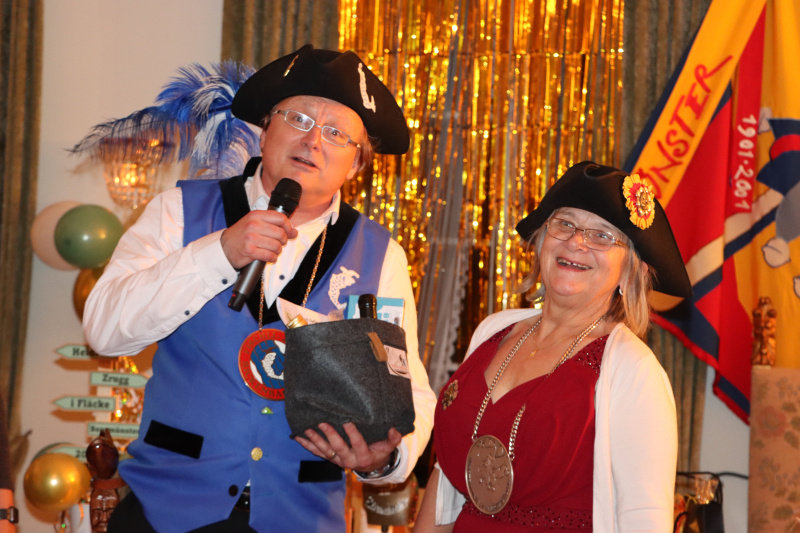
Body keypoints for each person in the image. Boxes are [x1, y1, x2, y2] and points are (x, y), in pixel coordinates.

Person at [83, 44, 436, 533]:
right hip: (166, 510)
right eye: (299, 119)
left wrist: (385, 460)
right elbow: (104, 330)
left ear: (357, 164)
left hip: (301, 518)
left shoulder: (380, 255)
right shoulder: (180, 211)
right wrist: (218, 252)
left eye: (336, 133)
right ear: (266, 130)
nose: (313, 140)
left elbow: (409, 391)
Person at [415, 161, 692, 532]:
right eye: (565, 224)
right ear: (541, 241)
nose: (576, 242)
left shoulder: (634, 372)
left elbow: (644, 521)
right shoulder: (491, 332)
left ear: (632, 272)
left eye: (602, 236)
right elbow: (445, 486)